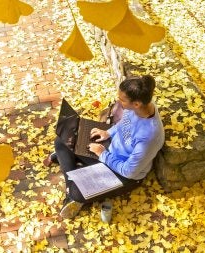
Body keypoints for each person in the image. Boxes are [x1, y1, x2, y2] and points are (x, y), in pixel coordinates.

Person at [44, 75, 165, 219]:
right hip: (108, 149)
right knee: (61, 141)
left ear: (137, 104)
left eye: (122, 99)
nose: (118, 101)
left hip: (124, 174)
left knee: (77, 191)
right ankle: (72, 173)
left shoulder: (149, 135)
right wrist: (108, 132)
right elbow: (124, 122)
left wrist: (103, 154)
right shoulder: (140, 107)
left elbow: (129, 171)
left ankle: (71, 186)